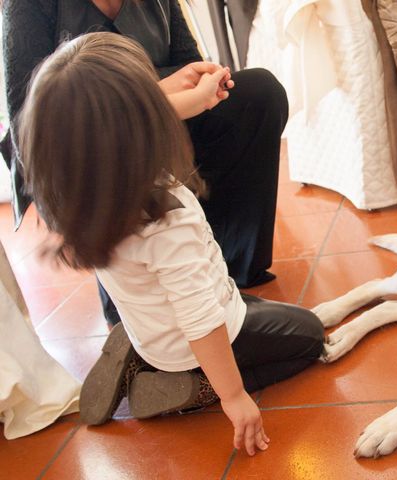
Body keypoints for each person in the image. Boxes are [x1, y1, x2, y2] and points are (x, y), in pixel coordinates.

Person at [19, 31, 324, 456]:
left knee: (245, 310)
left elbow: (112, 120)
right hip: (193, 343)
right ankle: (189, 387)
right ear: (142, 122)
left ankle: (143, 354)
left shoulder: (84, 196)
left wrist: (196, 98)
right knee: (311, 335)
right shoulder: (165, 216)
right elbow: (200, 320)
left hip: (153, 330)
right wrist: (233, 398)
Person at [2, 0, 287, 326]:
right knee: (114, 147)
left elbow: (186, 63)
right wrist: (152, 95)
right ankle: (129, 299)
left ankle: (233, 268)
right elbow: (31, 117)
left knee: (259, 94)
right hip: (84, 149)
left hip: (161, 117)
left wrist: (198, 84)